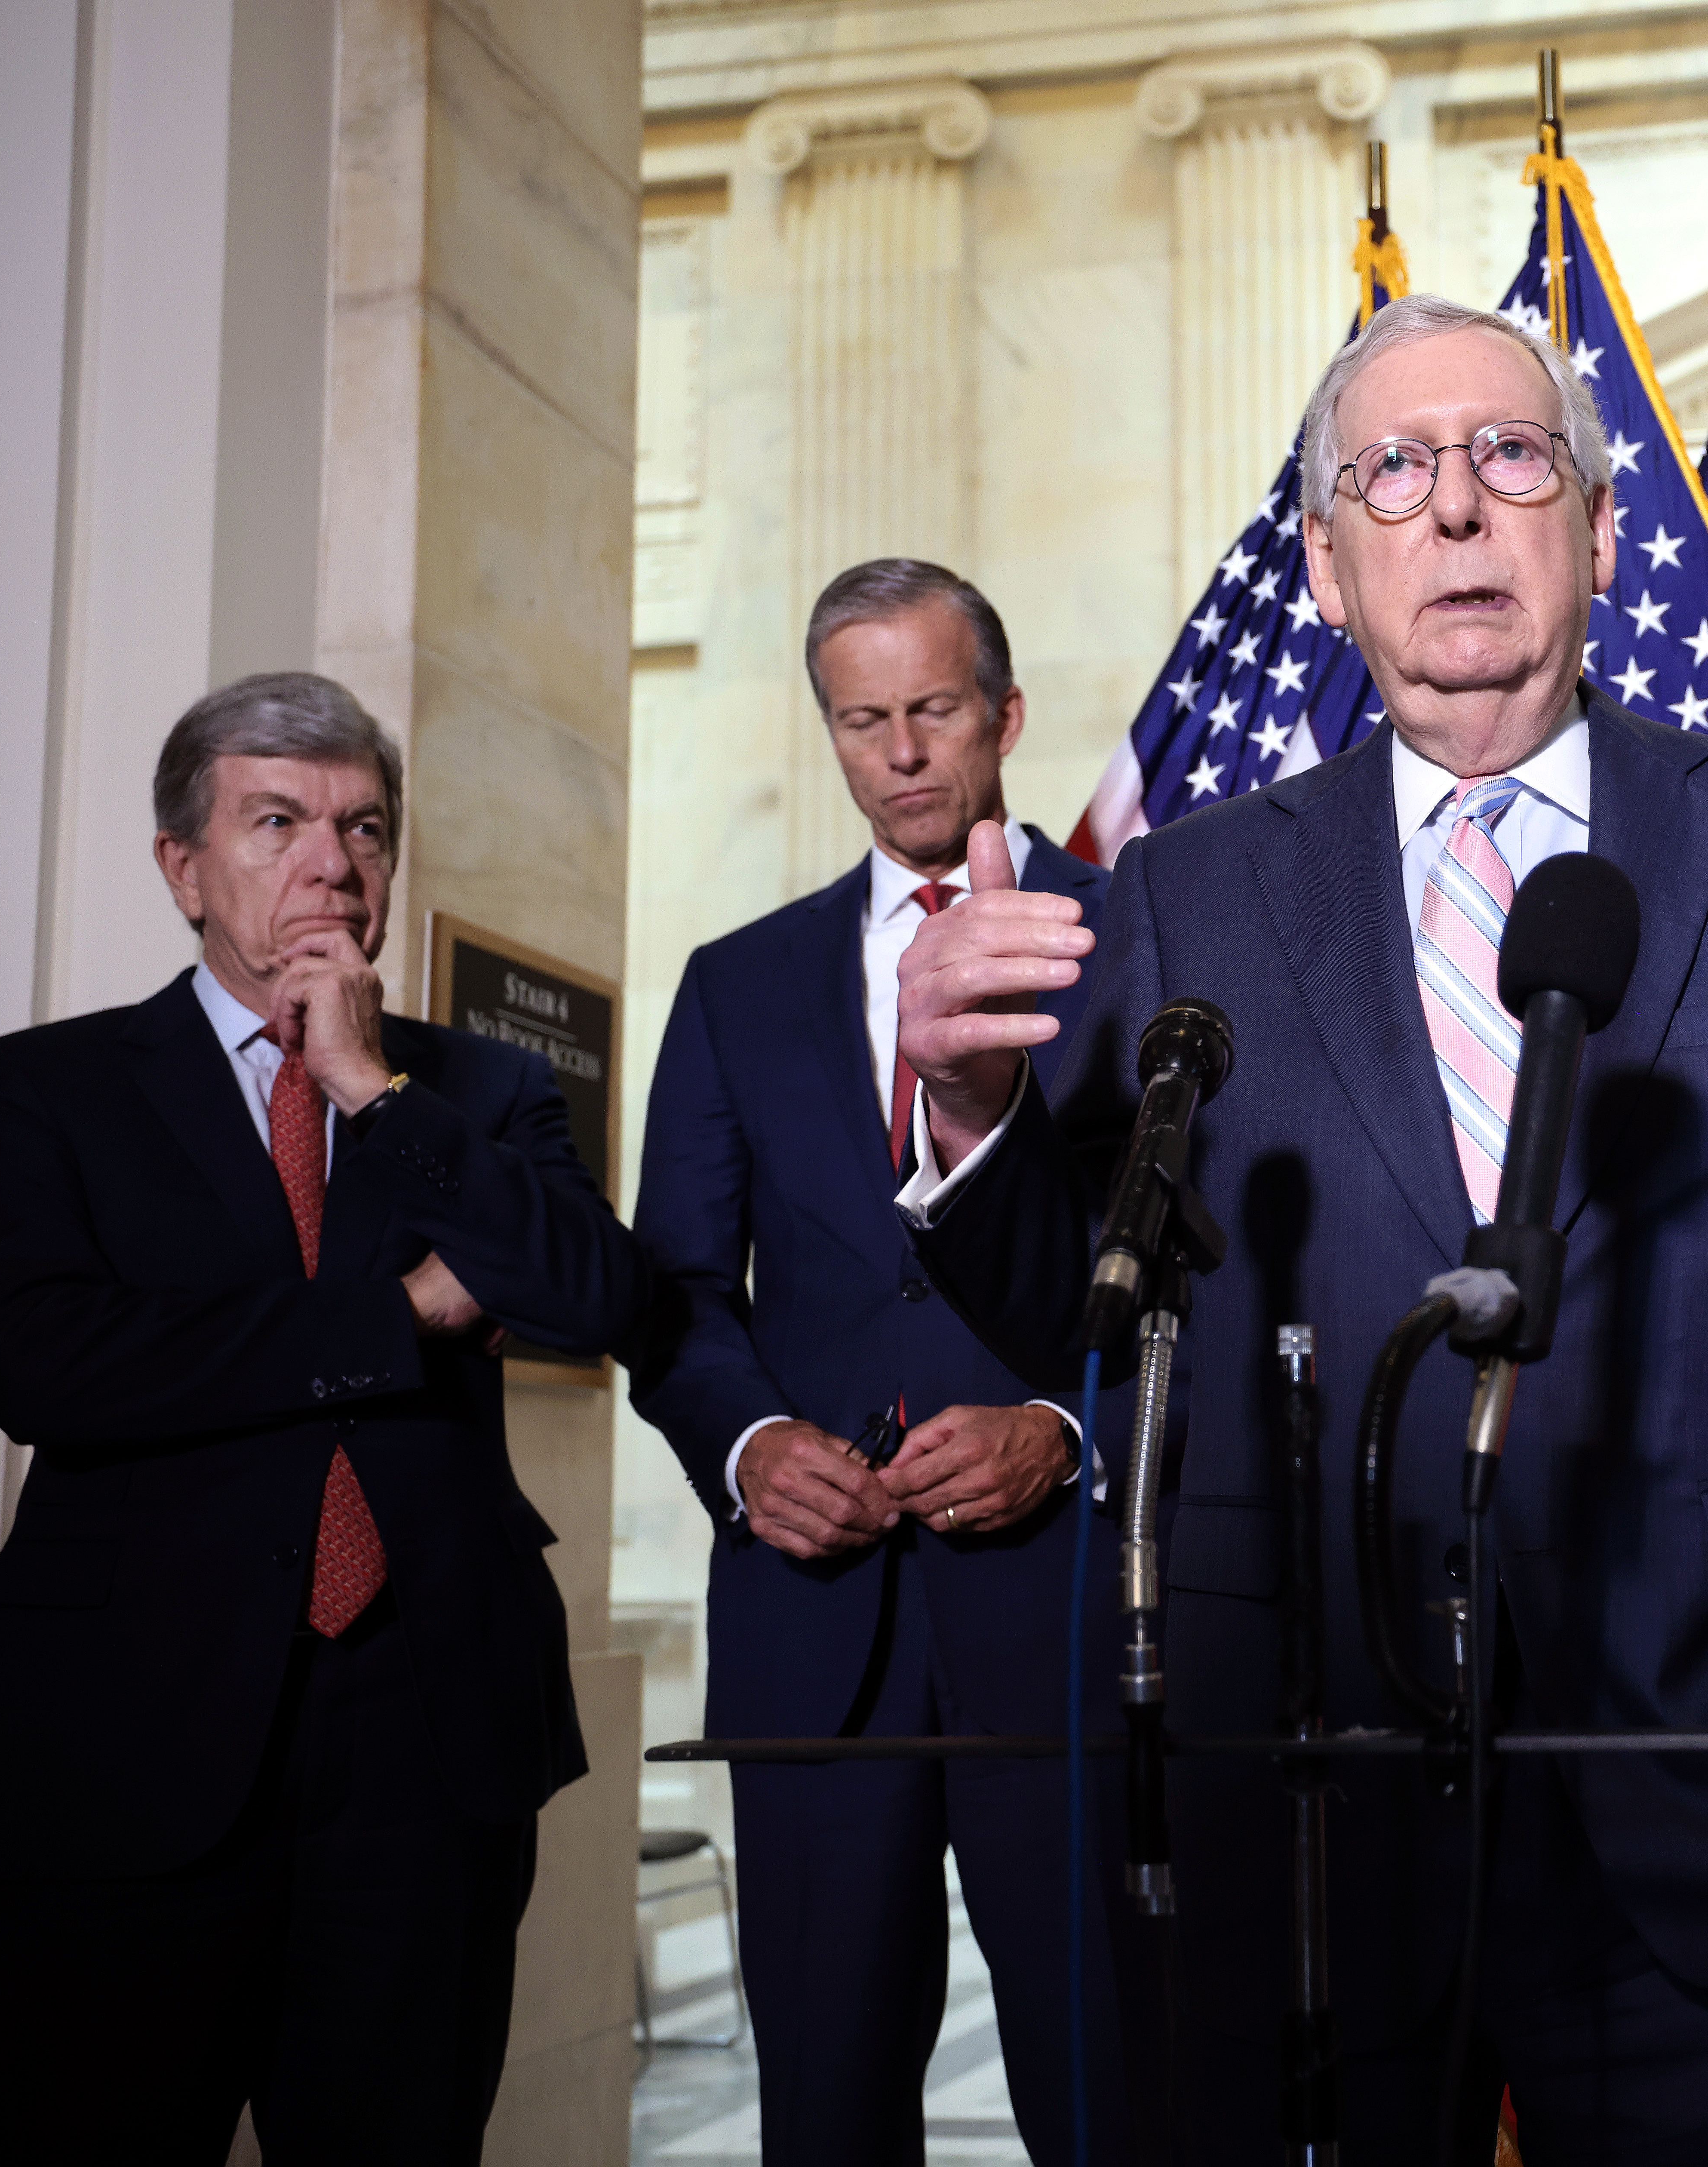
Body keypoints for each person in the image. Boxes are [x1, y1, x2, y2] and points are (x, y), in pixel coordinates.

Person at [886, 293, 1708, 2163]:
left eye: (1511, 457)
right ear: (1326, 570)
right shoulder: (1189, 891)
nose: (1459, 510)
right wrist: (972, 1108)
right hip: (1311, 1820)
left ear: (1597, 529)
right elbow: (1073, 1315)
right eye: (1393, 472)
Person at [0, 672, 642, 2165]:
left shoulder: (481, 1093)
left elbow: (595, 1297)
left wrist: (371, 1087)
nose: (332, 860)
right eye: (278, 821)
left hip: (425, 1744)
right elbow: (52, 1364)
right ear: (185, 866)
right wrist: (406, 1314)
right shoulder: (41, 1089)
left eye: (364, 826)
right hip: (127, 1740)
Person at [627, 559, 1134, 2165]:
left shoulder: (1141, 940)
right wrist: (750, 1442)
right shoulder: (737, 984)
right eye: (863, 721)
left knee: (1105, 2083)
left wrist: (1065, 1426)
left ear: (1004, 716)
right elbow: (677, 1297)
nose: (902, 752)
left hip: (1058, 1608)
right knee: (828, 2100)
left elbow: (1207, 1269)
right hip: (811, 1622)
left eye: (931, 711)